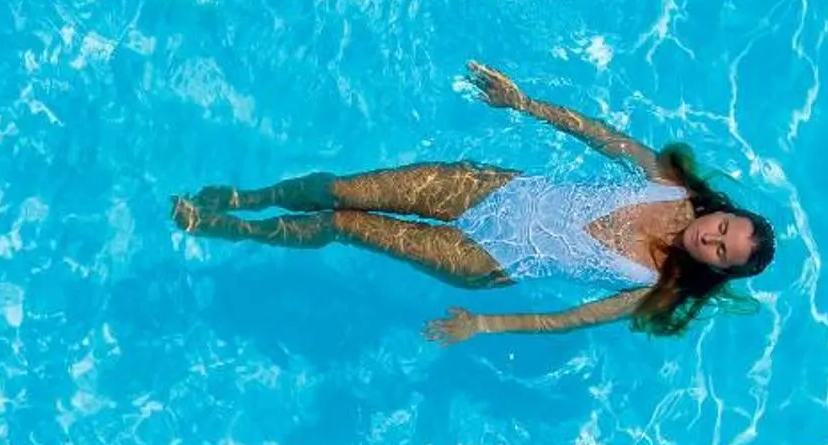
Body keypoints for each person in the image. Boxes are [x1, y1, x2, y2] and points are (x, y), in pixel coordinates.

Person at [173, 63, 777, 343]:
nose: (713, 239)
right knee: (341, 188)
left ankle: (229, 226)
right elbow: (598, 134)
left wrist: (482, 324)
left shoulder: (654, 286)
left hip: (486, 256)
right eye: (723, 227)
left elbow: (566, 321)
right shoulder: (668, 183)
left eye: (722, 252)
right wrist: (525, 103)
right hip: (493, 188)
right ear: (718, 211)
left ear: (716, 269)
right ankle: (249, 197)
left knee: (341, 224)